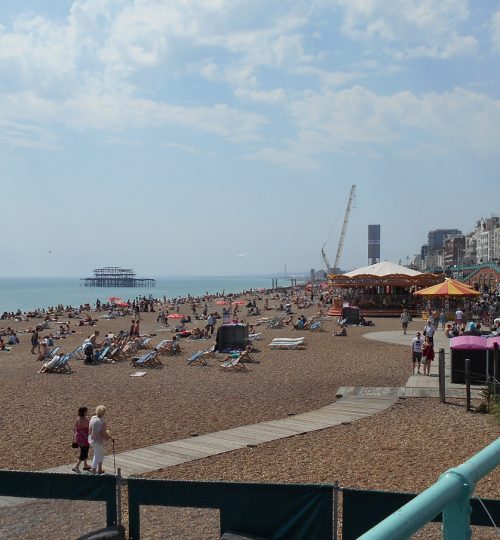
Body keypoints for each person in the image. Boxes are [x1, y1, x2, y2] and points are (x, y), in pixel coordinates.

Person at [88, 405, 113, 475]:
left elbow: (89, 429)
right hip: (98, 441)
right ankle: (93, 469)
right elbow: (104, 433)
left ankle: (99, 468)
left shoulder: (93, 418)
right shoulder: (102, 422)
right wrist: (110, 437)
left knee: (101, 454)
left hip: (91, 439)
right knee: (97, 455)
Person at [72, 407, 91, 473]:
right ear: (84, 412)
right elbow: (90, 428)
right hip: (84, 438)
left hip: (79, 437)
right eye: (86, 411)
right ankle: (76, 466)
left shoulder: (78, 419)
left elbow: (74, 428)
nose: (87, 413)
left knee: (84, 450)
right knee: (84, 452)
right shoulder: (85, 420)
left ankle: (85, 464)